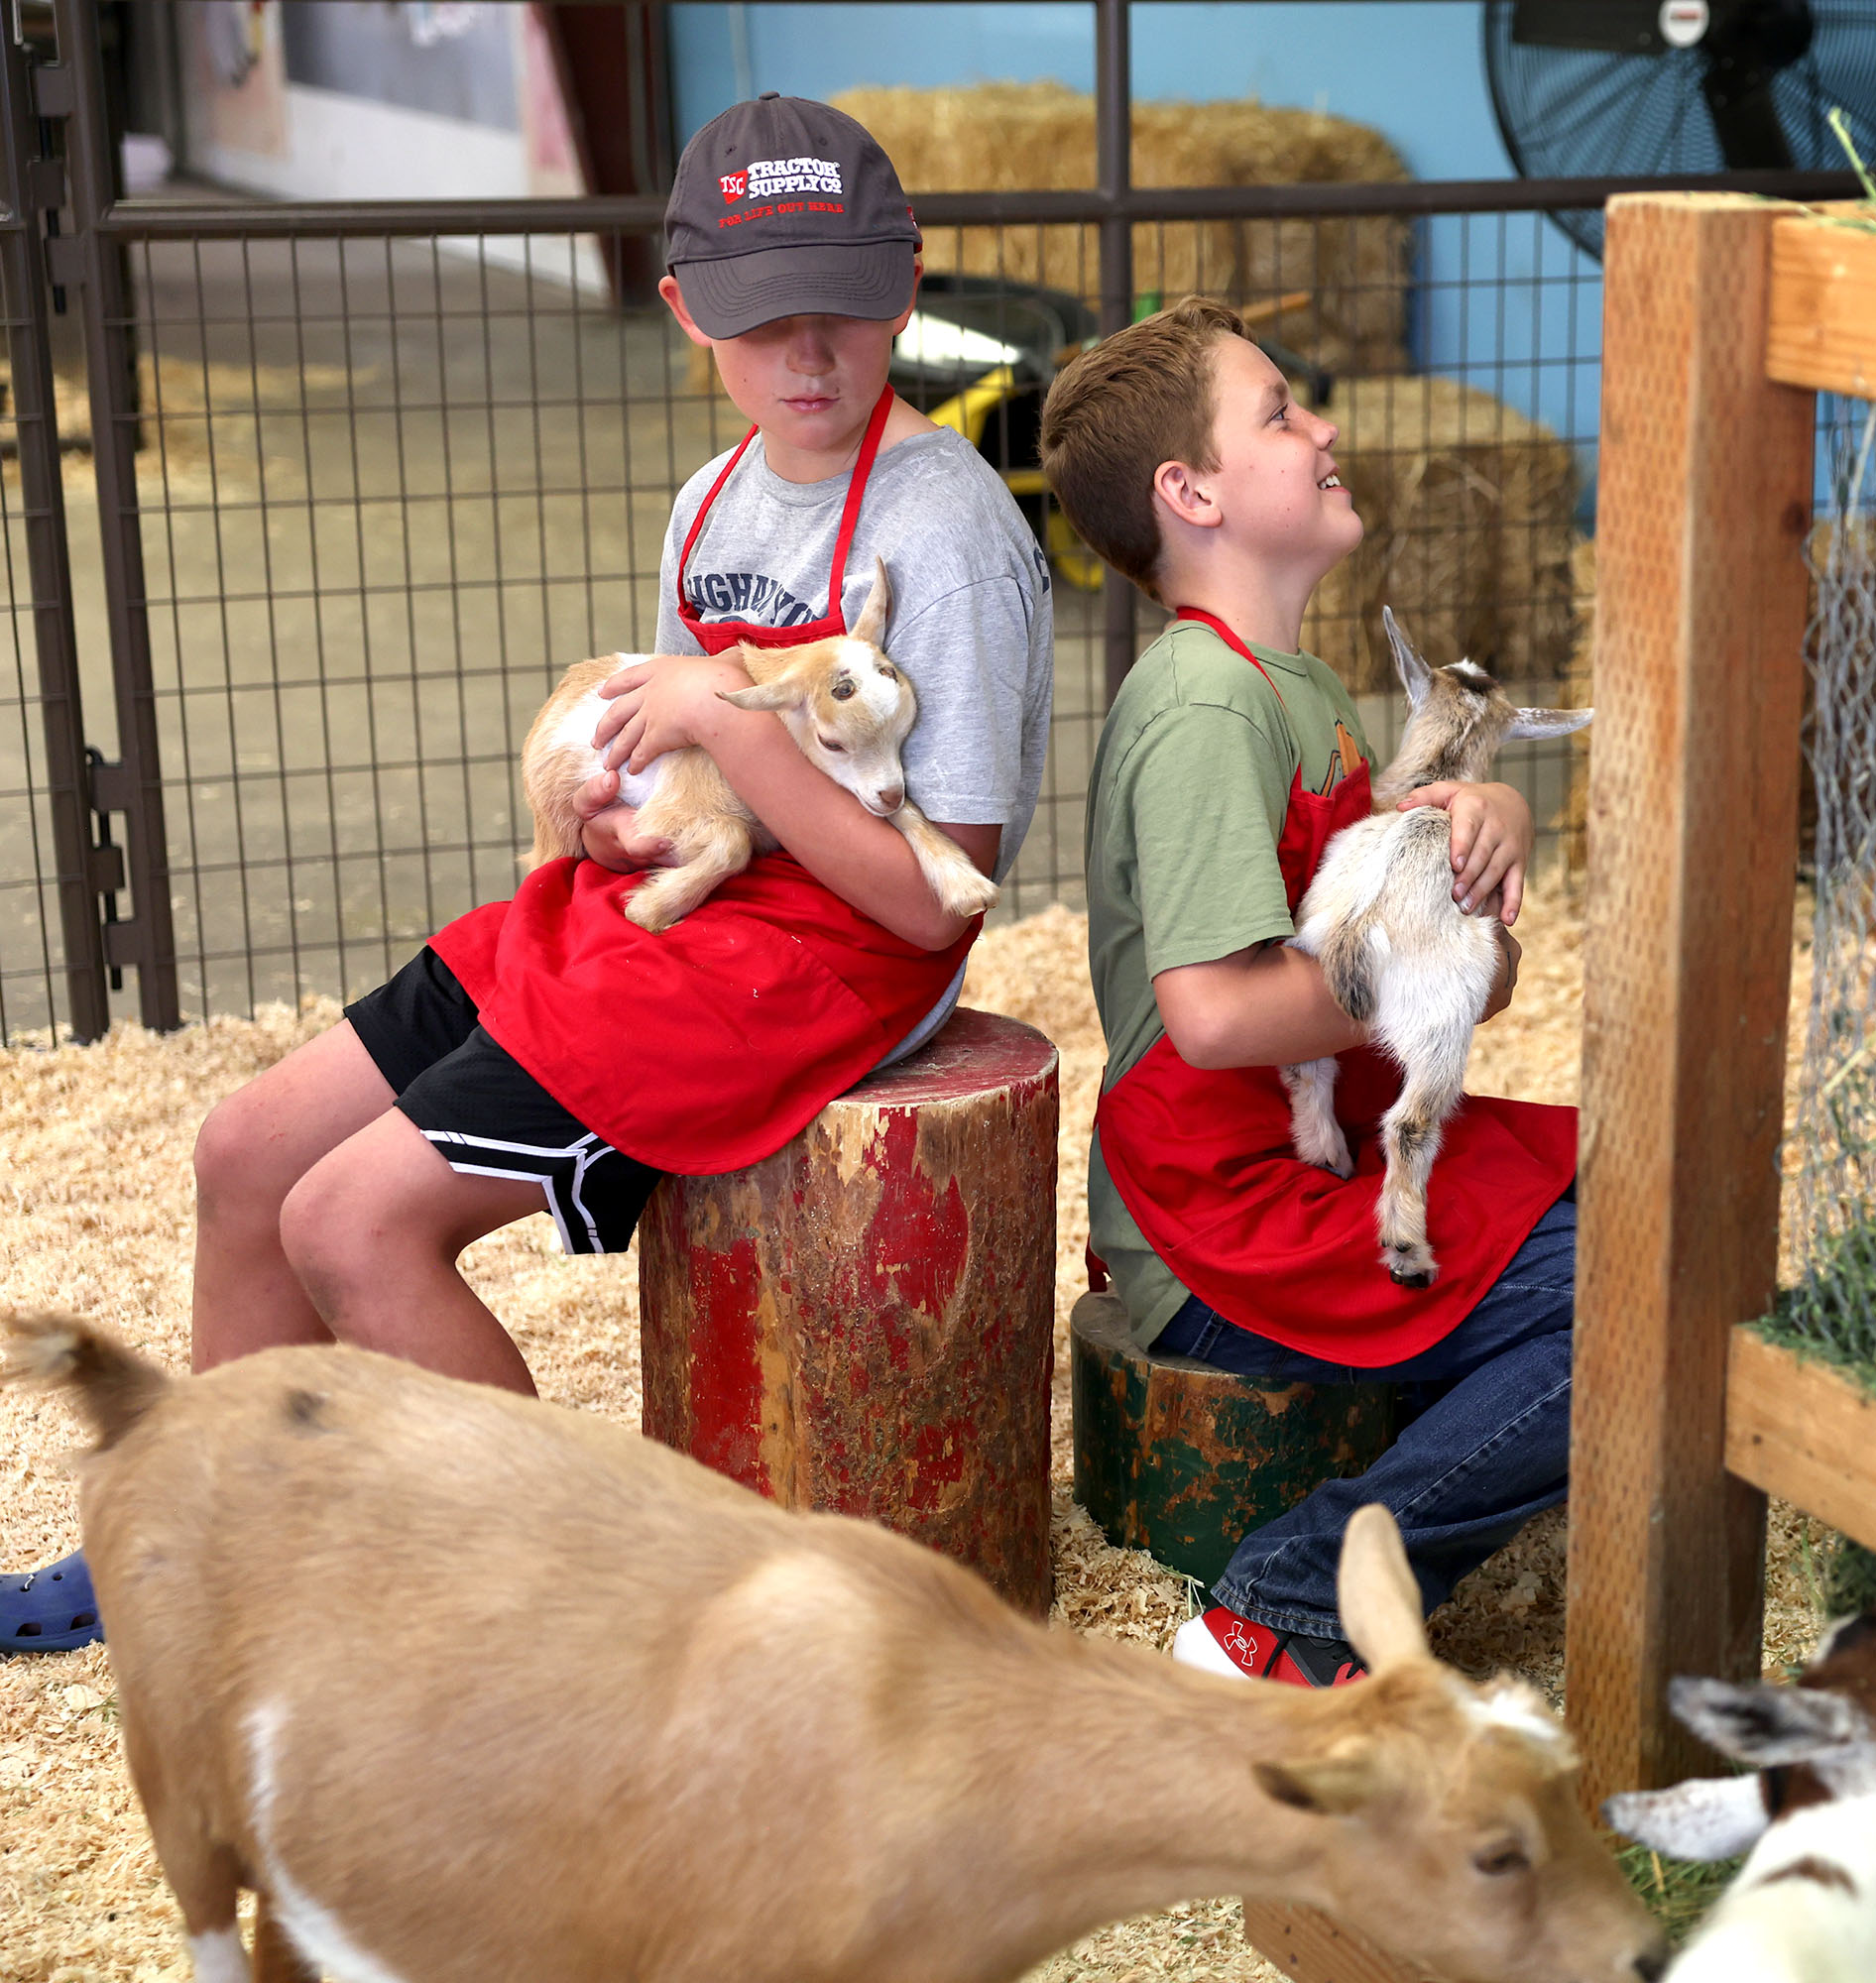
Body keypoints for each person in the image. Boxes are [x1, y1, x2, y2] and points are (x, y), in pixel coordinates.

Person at [0, 94, 1050, 1657]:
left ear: (909, 282)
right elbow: (686, 776)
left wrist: (715, 717)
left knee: (351, 1224)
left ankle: (568, 1628)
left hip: (828, 964)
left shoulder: (946, 531)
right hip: (686, 909)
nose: (810, 356)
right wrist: (624, 809)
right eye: (766, 321)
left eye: (845, 307)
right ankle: (209, 1547)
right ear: (687, 307)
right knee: (245, 1154)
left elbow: (928, 898)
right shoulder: (712, 501)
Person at [1039, 297, 1573, 1689]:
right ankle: (1285, 1604)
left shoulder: (1307, 691)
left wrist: (1490, 815)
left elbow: (1440, 968)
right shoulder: (1207, 704)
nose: (1324, 427)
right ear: (1192, 491)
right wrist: (1435, 971)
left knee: (1634, 1208)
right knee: (1625, 1300)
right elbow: (1218, 1016)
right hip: (1221, 1215)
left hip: (1308, 1163)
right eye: (1280, 411)